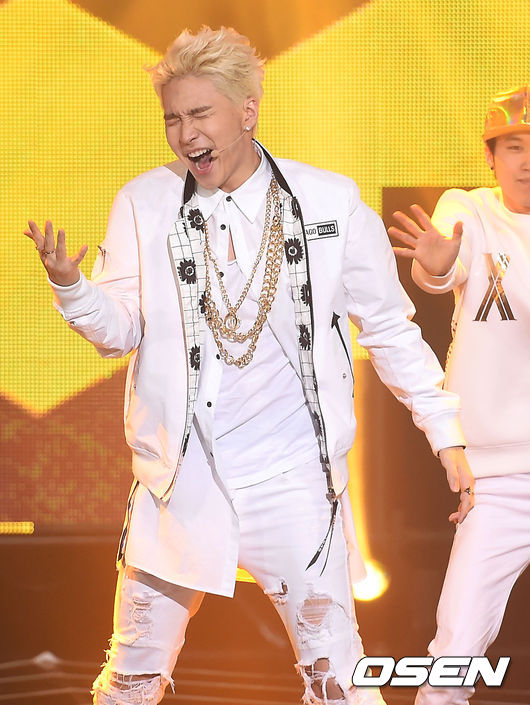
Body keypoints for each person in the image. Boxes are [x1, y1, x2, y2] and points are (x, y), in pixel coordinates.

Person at [26, 27, 474, 705]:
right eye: (172, 119)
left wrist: (445, 432)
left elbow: (388, 329)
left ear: (247, 111)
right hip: (179, 486)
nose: (185, 134)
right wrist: (72, 288)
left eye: (199, 114)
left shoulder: (328, 202)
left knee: (338, 681)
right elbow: (118, 334)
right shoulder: (144, 202)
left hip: (294, 481)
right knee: (130, 681)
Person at [390, 85, 530, 705]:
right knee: (455, 648)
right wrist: (434, 266)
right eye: (513, 146)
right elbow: (442, 268)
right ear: (491, 157)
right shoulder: (469, 209)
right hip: (499, 480)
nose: (526, 160)